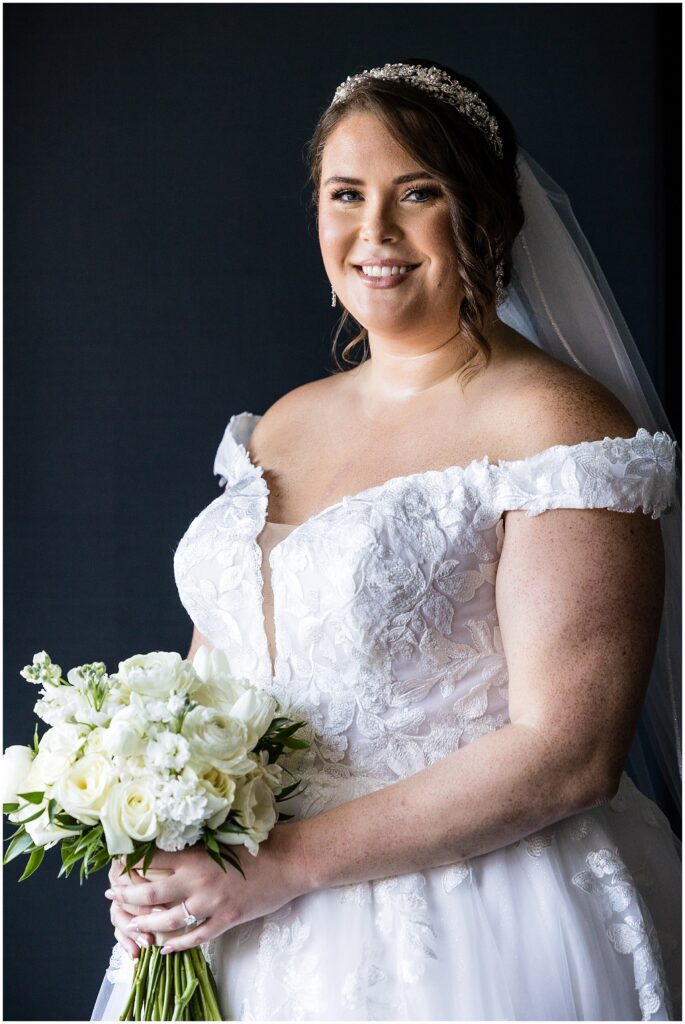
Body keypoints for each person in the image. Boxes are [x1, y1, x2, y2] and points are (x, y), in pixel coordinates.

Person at [91, 60, 681, 1021]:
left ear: (482, 212)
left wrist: (277, 869)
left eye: (418, 194)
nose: (374, 234)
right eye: (346, 195)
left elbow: (568, 752)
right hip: (238, 918)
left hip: (473, 919)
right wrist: (155, 822)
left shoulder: (558, 428)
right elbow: (213, 684)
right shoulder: (280, 423)